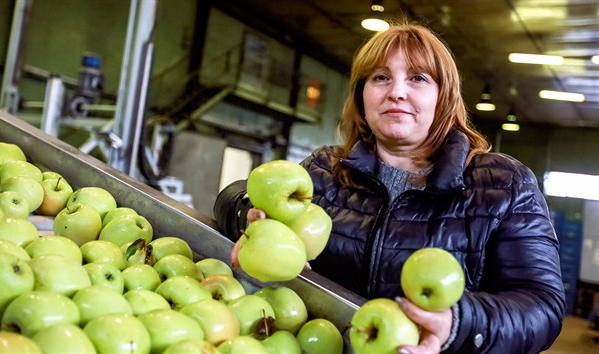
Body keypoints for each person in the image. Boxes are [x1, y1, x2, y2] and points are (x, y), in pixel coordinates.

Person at [213, 21, 565, 354]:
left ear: (443, 96)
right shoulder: (325, 170)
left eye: (417, 78)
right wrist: (250, 214)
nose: (396, 92)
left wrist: (459, 322)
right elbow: (232, 196)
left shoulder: (503, 184)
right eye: (381, 77)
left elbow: (542, 306)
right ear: (362, 96)